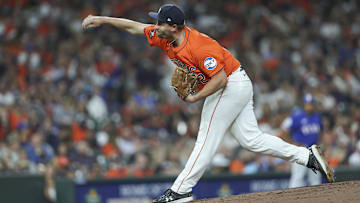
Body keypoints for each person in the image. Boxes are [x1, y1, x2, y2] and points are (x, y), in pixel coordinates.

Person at [82, 4, 334, 203]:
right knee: (251, 140)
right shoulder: (164, 36)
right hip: (235, 82)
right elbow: (135, 27)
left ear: (173, 26)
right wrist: (103, 20)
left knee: (206, 136)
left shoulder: (199, 47)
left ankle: (180, 190)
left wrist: (195, 97)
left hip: (231, 84)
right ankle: (306, 155)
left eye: (159, 21)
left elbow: (221, 79)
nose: (155, 25)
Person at [280, 93, 323, 188]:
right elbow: (283, 128)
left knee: (315, 179)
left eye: (311, 104)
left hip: (314, 151)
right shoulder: (296, 116)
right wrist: (292, 143)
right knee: (298, 178)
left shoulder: (317, 117)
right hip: (300, 150)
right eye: (307, 104)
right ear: (303, 105)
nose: (309, 106)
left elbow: (321, 132)